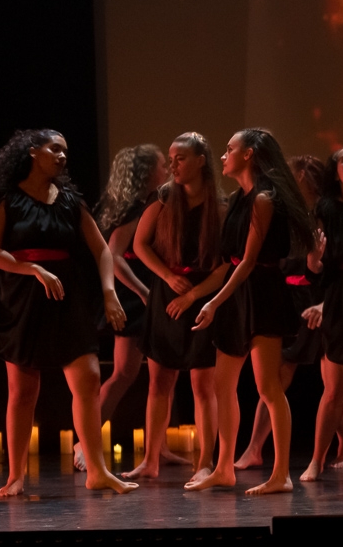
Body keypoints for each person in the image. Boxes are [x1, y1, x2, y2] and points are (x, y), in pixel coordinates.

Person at [0, 129, 135, 496]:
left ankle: (97, 471)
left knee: (88, 378)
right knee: (23, 390)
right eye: (55, 149)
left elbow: (102, 249)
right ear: (33, 152)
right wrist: (32, 269)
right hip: (20, 298)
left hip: (66, 296)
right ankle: (16, 476)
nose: (62, 156)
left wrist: (109, 292)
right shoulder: (7, 198)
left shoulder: (70, 201)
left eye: (65, 151)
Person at [188, 128, 315, 494]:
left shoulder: (263, 198)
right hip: (239, 293)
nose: (223, 155)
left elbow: (247, 262)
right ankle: (223, 468)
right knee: (222, 383)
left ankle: (281, 475)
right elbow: (231, 261)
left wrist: (214, 302)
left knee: (268, 387)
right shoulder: (239, 199)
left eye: (230, 149)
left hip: (262, 293)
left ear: (249, 155)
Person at [130, 132, 223, 481]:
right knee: (159, 382)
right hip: (167, 294)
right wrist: (168, 277)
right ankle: (150, 461)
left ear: (201, 161)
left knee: (203, 386)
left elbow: (227, 265)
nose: (173, 165)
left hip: (201, 298)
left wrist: (194, 295)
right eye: (170, 159)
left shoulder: (220, 206)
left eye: (180, 158)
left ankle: (205, 463)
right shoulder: (163, 198)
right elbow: (140, 245)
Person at [86, 143, 178, 473]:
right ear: (146, 173)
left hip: (147, 293)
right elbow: (113, 255)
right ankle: (86, 442)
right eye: (162, 166)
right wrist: (143, 292)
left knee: (162, 374)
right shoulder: (135, 208)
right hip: (135, 296)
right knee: (126, 372)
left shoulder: (149, 204)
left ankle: (159, 447)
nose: (167, 171)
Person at [235, 155, 329, 469]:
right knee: (287, 377)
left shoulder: (320, 216)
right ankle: (255, 449)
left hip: (308, 299)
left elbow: (324, 267)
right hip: (284, 295)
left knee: (324, 377)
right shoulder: (286, 212)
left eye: (292, 174)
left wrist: (322, 296)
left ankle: (257, 449)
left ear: (304, 177)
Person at [299, 146, 343, 481]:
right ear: (335, 171)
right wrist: (314, 261)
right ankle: (316, 460)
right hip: (341, 300)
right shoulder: (326, 209)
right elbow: (318, 270)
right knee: (336, 390)